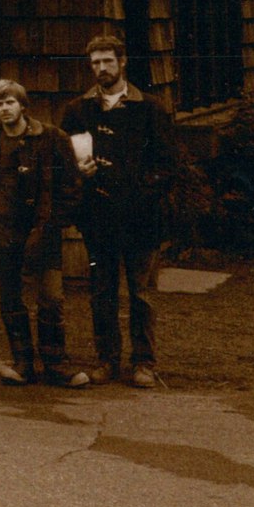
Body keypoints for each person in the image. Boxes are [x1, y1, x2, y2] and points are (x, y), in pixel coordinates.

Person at [60, 35, 174, 388]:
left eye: (108, 61)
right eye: (95, 63)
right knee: (102, 292)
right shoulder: (78, 110)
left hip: (142, 219)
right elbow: (65, 162)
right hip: (98, 219)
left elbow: (168, 165)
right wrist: (81, 174)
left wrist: (140, 192)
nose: (101, 68)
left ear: (122, 62)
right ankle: (106, 360)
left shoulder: (150, 108)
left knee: (141, 294)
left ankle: (144, 363)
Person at [0, 79, 88, 389]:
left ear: (23, 105)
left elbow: (72, 184)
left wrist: (55, 222)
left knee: (50, 297)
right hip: (2, 231)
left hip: (42, 230)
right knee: (10, 298)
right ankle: (22, 362)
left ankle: (55, 364)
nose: (4, 108)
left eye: (10, 102)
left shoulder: (50, 137)